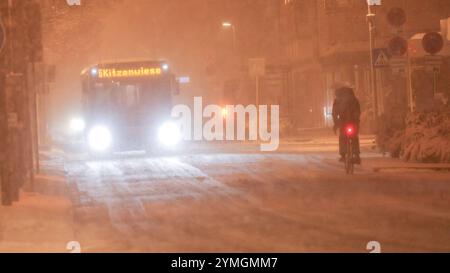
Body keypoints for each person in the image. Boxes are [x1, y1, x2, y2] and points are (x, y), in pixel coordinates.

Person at [332, 86, 361, 164]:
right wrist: (357, 120)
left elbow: (334, 113)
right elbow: (358, 110)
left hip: (343, 122)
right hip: (353, 121)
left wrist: (336, 124)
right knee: (354, 138)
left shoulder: (337, 100)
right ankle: (356, 155)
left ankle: (343, 155)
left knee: (342, 137)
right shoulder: (354, 99)